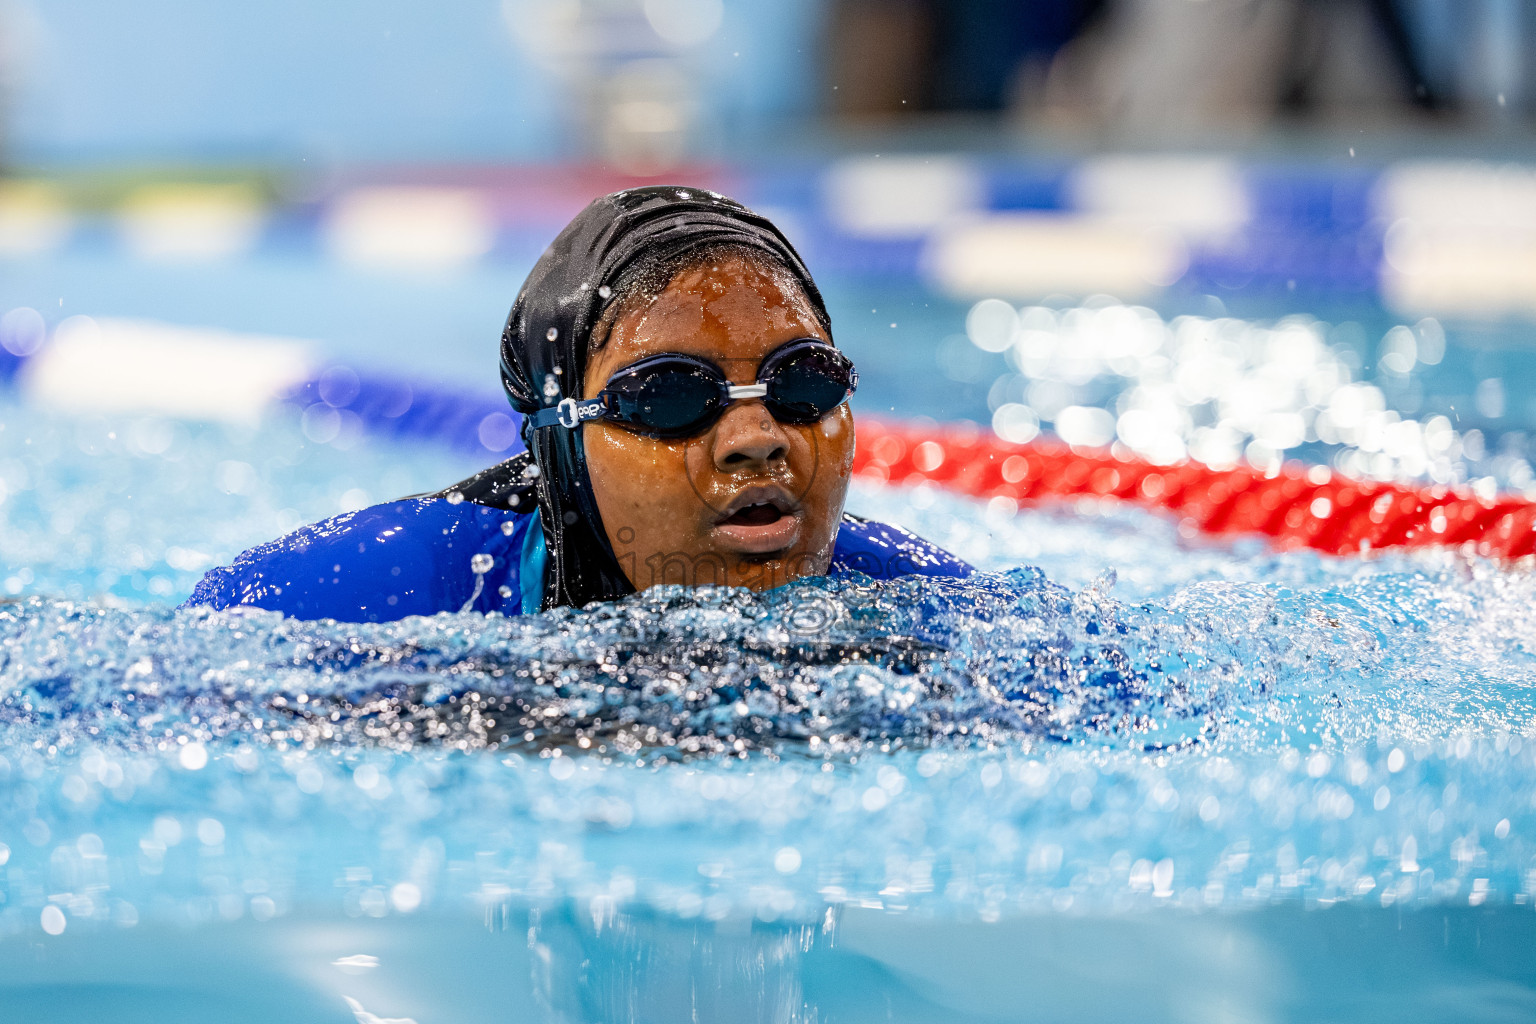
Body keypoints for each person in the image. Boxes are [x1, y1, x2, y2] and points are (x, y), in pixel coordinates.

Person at [187, 187, 971, 622]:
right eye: (668, 397)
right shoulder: (392, 588)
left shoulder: (913, 602)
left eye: (804, 383)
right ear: (558, 441)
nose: (758, 439)